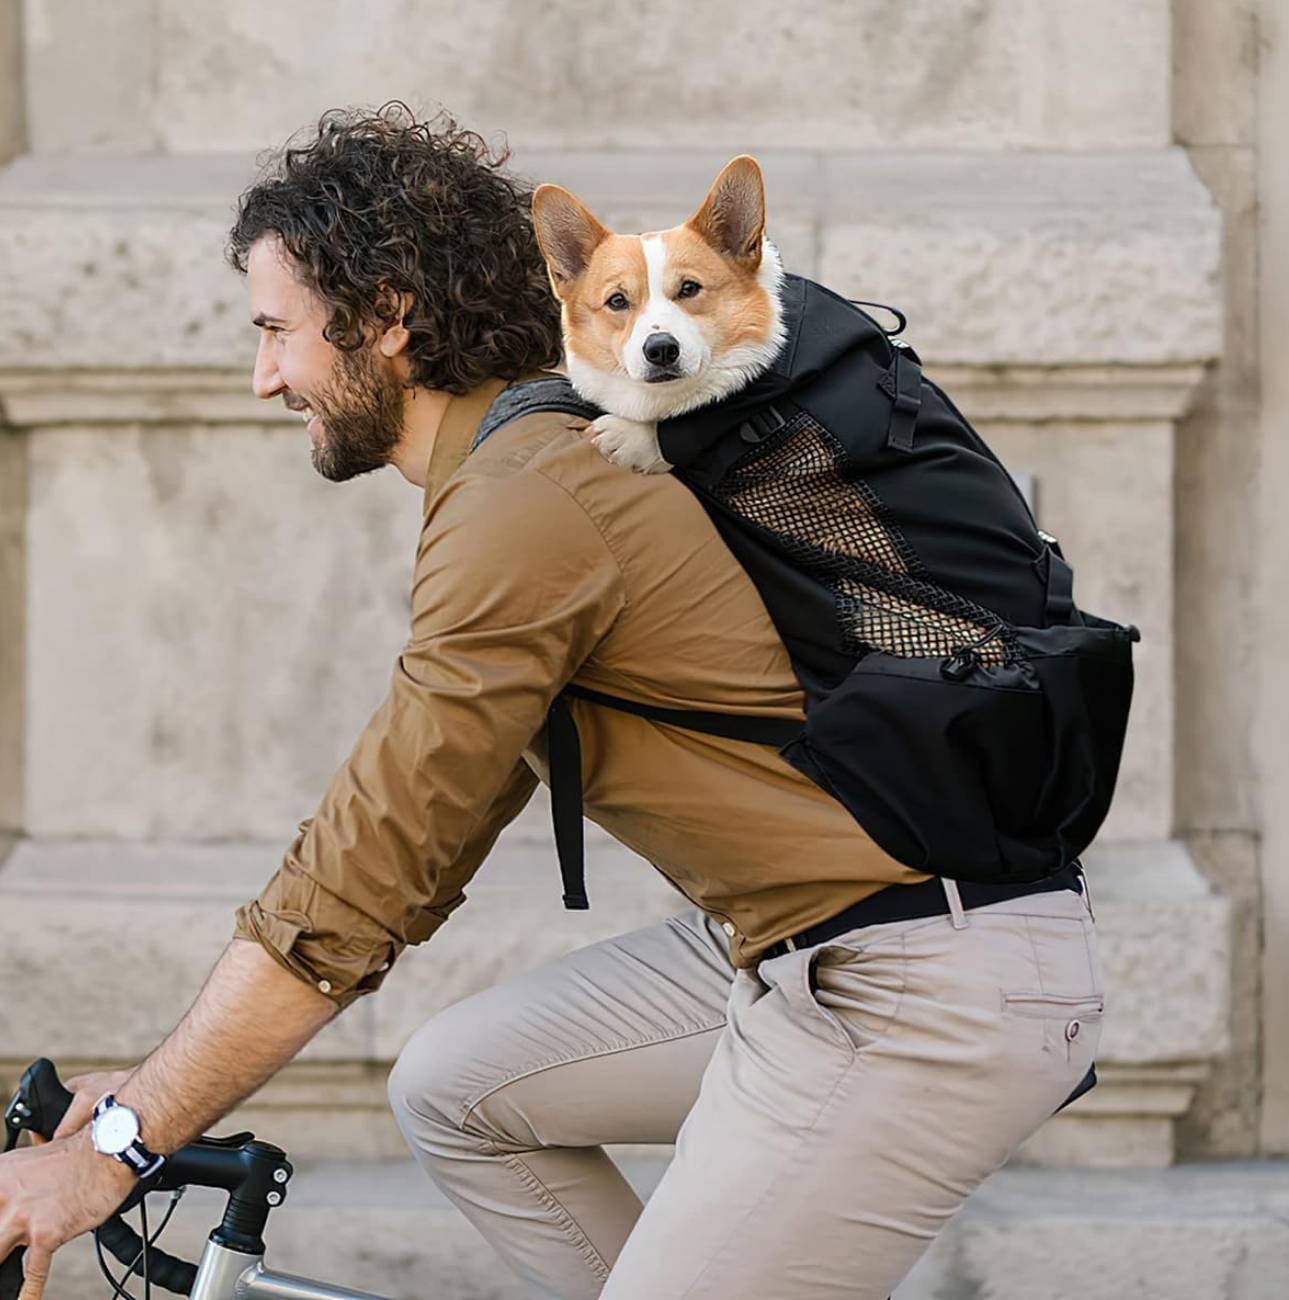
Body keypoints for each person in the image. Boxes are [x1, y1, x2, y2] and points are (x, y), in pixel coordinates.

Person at [0, 105, 1104, 1300]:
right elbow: (408, 841)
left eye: (278, 332)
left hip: (915, 977)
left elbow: (372, 861)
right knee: (455, 1085)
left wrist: (129, 1140)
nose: (265, 376)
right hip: (812, 946)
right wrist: (161, 1083)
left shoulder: (531, 496)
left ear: (385, 318)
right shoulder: (536, 452)